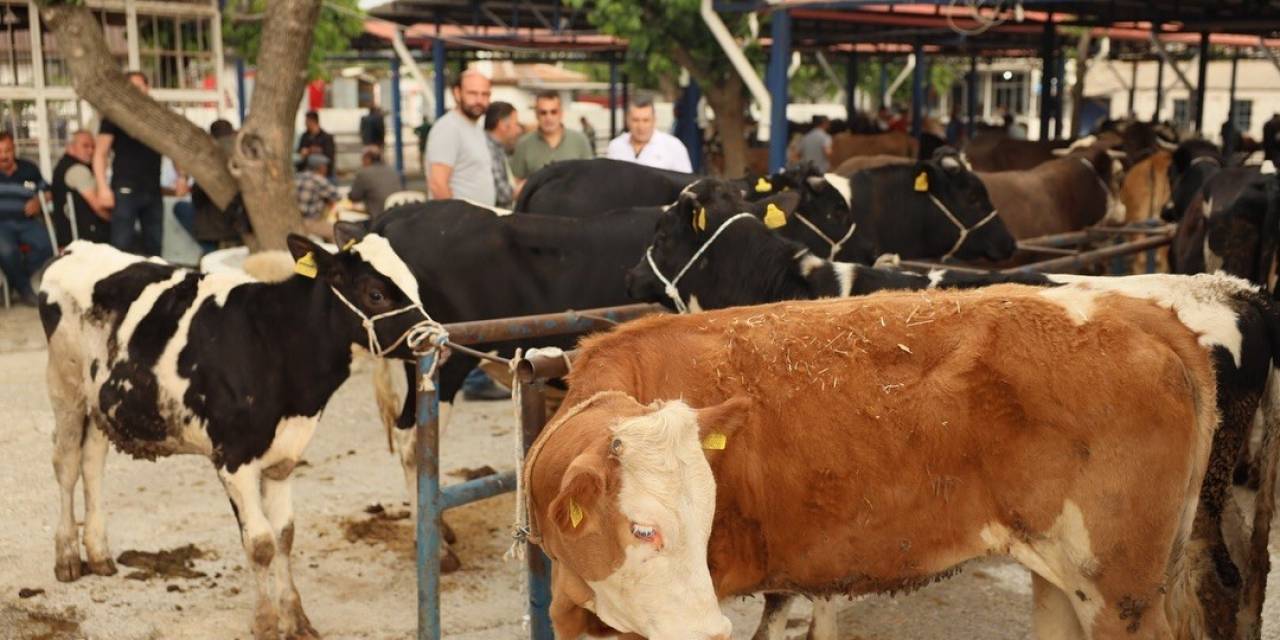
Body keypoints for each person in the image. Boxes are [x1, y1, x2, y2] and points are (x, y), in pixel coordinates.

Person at [94, 71, 163, 256]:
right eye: (131, 88)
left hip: (153, 190)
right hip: (125, 189)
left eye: (139, 86)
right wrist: (102, 188)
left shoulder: (159, 117)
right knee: (121, 246)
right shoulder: (115, 115)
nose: (135, 91)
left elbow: (175, 149)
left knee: (155, 247)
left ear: (147, 88)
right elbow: (100, 153)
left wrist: (181, 177)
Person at [424, 69, 494, 205]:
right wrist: (454, 217)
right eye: (472, 93)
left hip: (478, 217)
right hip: (458, 218)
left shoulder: (474, 127)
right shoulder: (448, 128)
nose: (479, 100)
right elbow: (437, 184)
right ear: (457, 93)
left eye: (485, 94)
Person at [0, 131, 51, 306]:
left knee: (46, 246)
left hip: (27, 221)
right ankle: (24, 289)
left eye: (7, 150)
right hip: (1, 225)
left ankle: (14, 278)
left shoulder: (29, 168)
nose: (3, 156)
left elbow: (47, 191)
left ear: (14, 149)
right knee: (7, 251)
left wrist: (38, 201)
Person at [510, 91, 594, 185]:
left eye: (553, 112)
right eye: (543, 113)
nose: (548, 117)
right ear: (536, 114)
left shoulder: (580, 141)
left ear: (561, 113)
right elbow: (517, 182)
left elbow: (590, 178)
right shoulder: (523, 144)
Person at [51, 130, 110, 246]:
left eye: (93, 147)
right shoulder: (78, 170)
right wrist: (118, 219)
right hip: (84, 240)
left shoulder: (62, 165)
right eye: (85, 146)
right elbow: (98, 207)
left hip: (67, 236)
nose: (91, 151)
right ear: (71, 147)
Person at [190, 120, 241, 252]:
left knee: (179, 208)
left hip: (212, 230)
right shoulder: (241, 156)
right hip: (238, 228)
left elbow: (197, 198)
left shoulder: (208, 159)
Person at [605, 97, 692, 173]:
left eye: (646, 120)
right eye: (635, 120)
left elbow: (687, 183)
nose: (641, 126)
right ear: (627, 120)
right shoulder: (615, 146)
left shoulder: (674, 146)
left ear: (654, 120)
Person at [484, 101, 522, 209]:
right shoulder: (489, 149)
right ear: (503, 125)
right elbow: (503, 194)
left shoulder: (498, 148)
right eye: (516, 124)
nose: (519, 130)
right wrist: (526, 186)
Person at [348, 147, 402, 220]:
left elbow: (354, 197)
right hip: (398, 214)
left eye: (362, 159)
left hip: (378, 217)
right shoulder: (392, 170)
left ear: (368, 159)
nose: (362, 162)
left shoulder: (363, 173)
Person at [294, 154, 337, 241]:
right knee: (337, 233)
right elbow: (336, 196)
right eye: (325, 166)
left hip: (295, 219)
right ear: (321, 167)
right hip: (310, 222)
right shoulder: (318, 179)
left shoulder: (297, 176)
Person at [297, 111, 336, 180]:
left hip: (324, 173)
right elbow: (300, 151)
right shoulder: (305, 136)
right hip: (306, 169)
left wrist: (311, 151)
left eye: (307, 121)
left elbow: (329, 155)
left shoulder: (326, 137)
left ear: (313, 121)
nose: (305, 124)